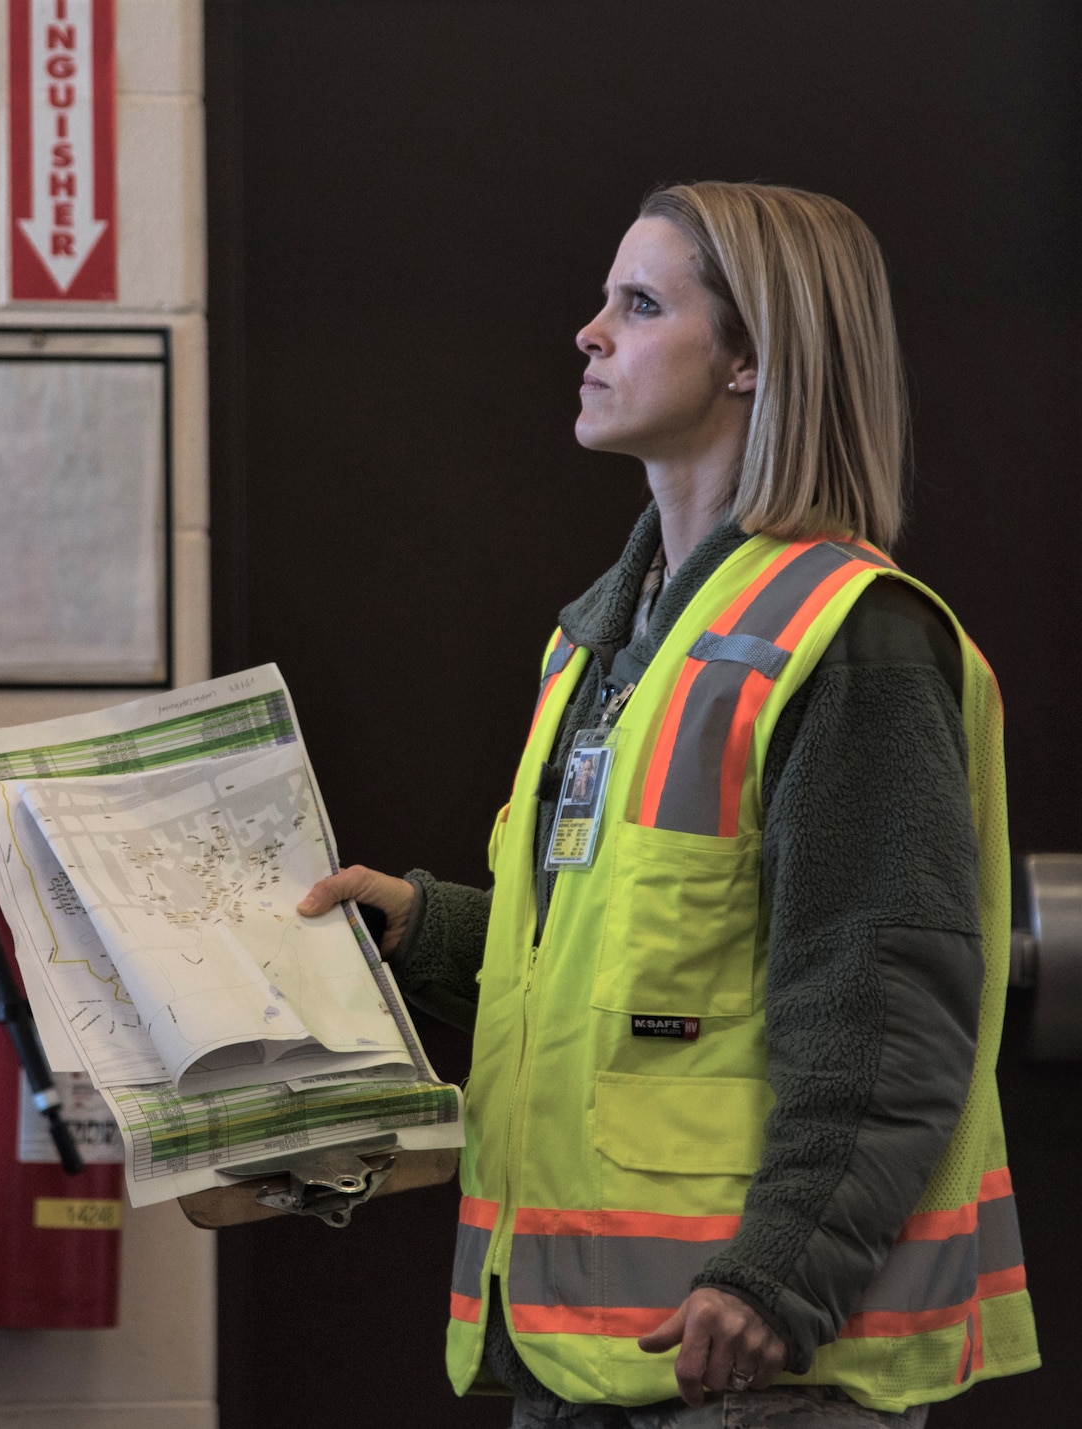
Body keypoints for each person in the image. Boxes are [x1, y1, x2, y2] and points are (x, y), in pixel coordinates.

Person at [299, 183, 1038, 1426]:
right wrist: (422, 932)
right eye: (602, 302)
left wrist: (776, 1280)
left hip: (759, 1373)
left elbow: (881, 1017)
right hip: (578, 1363)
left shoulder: (848, 641)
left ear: (751, 358)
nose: (587, 333)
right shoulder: (603, 644)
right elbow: (624, 974)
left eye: (637, 305)